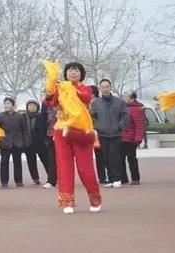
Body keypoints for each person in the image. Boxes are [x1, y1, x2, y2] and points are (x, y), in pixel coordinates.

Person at [43, 61, 102, 213]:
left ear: (81, 74)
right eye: (70, 70)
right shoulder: (61, 87)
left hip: (80, 130)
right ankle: (67, 202)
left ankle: (95, 199)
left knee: (85, 168)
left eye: (76, 70)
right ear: (66, 74)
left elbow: (86, 98)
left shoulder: (85, 89)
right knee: (64, 167)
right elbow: (49, 102)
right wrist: (50, 90)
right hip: (61, 130)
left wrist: (68, 88)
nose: (73, 73)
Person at [89, 79, 129, 189]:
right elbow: (92, 117)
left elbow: (125, 116)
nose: (105, 89)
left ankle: (117, 179)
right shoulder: (96, 103)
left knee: (114, 157)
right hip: (102, 134)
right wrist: (97, 127)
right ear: (100, 88)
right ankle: (111, 179)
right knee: (105, 158)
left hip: (115, 134)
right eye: (103, 87)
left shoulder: (119, 102)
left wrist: (120, 126)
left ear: (110, 87)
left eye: (107, 86)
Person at [0, 97, 28, 187]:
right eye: (5, 103)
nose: (6, 105)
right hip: (5, 142)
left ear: (13, 105)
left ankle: (19, 181)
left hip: (17, 142)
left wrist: (24, 142)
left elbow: (24, 130)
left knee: (17, 162)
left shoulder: (19, 116)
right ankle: (4, 181)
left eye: (9, 103)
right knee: (4, 162)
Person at [22, 100, 52, 186]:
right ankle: (35, 178)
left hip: (41, 143)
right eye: (30, 105)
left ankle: (51, 177)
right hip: (28, 143)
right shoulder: (23, 117)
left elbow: (46, 129)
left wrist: (46, 140)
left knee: (46, 161)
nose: (31, 107)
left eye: (33, 106)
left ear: (37, 107)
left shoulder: (41, 117)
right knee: (31, 162)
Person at [121, 92, 146, 185]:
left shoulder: (136, 109)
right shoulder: (122, 108)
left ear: (132, 98)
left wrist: (138, 139)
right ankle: (123, 178)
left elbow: (139, 125)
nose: (123, 98)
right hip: (120, 138)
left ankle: (135, 178)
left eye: (125, 97)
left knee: (131, 159)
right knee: (120, 160)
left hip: (130, 139)